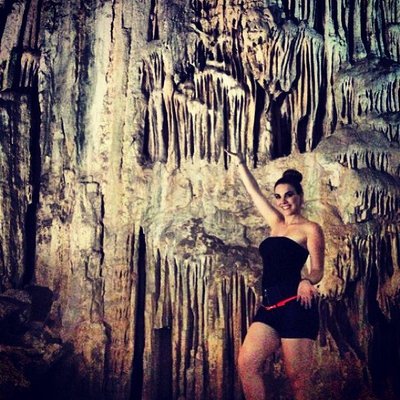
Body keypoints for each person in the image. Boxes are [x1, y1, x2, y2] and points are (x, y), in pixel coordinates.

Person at [225, 150, 324, 400]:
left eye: (289, 194)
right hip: (269, 307)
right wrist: (240, 164)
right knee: (247, 364)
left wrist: (307, 280)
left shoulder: (311, 229)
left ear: (300, 197)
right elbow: (255, 193)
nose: (283, 201)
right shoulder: (276, 223)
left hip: (296, 306)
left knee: (298, 380)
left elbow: (317, 269)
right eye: (278, 196)